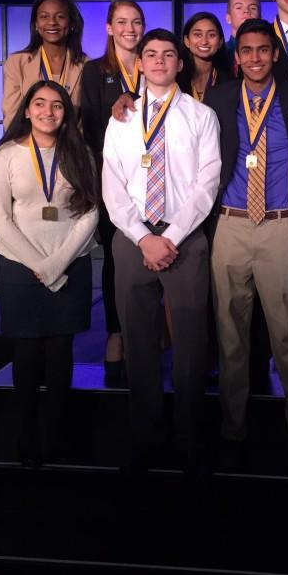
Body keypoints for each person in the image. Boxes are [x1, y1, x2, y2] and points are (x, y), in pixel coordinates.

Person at [101, 29, 221, 474]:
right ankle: (145, 431)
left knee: (191, 342)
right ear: (140, 63)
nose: (158, 61)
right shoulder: (122, 117)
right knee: (138, 339)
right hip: (132, 239)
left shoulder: (201, 115)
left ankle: (190, 431)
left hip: (185, 239)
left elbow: (207, 183)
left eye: (168, 55)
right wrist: (143, 236)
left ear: (179, 63)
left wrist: (170, 235)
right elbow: (111, 182)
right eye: (150, 54)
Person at [205, 18, 288, 471]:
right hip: (230, 225)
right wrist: (126, 103)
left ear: (276, 54)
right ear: (238, 57)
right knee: (230, 334)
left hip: (280, 226)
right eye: (247, 50)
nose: (254, 58)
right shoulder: (217, 98)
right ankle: (233, 424)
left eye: (262, 50)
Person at [0, 80, 99, 465]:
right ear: (28, 109)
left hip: (70, 265)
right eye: (40, 104)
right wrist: (40, 266)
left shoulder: (79, 152)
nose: (48, 112)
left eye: (56, 105)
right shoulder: (8, 154)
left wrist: (57, 263)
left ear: (66, 113)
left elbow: (91, 212)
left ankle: (55, 431)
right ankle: (25, 432)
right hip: (21, 268)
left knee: (60, 350)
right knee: (27, 350)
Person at [81, 0, 146, 384]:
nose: (130, 29)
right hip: (114, 179)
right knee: (116, 259)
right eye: (121, 22)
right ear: (108, 28)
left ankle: (153, 330)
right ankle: (116, 333)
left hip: (155, 179)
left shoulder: (154, 62)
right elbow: (90, 130)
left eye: (136, 22)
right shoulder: (95, 72)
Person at [2, 0, 88, 129]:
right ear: (36, 24)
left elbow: (87, 122)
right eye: (44, 16)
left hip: (71, 146)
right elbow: (12, 116)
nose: (52, 22)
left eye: (60, 17)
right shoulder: (16, 63)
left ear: (72, 24)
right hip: (28, 146)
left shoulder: (87, 66)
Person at [178, 11, 233, 100]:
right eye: (198, 35)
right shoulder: (175, 79)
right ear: (186, 40)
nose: (204, 41)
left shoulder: (230, 83)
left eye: (211, 35)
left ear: (220, 41)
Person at [224, 0, 261, 75]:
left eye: (253, 8)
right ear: (228, 18)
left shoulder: (268, 53)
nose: (246, 11)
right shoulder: (219, 53)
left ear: (260, 17)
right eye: (239, 7)